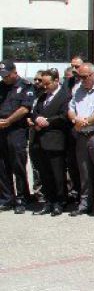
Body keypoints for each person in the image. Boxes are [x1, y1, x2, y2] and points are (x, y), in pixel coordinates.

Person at [67, 63, 94, 217]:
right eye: (79, 77)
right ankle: (86, 203)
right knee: (84, 172)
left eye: (84, 77)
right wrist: (75, 120)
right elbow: (71, 108)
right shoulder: (76, 89)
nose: (81, 80)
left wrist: (85, 122)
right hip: (81, 134)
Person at [28, 69, 70, 216]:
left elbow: (65, 116)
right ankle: (49, 201)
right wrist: (36, 119)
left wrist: (48, 121)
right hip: (40, 140)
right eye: (43, 83)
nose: (44, 86)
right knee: (44, 173)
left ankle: (60, 201)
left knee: (57, 174)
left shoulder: (65, 96)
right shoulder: (42, 96)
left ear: (56, 81)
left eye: (47, 83)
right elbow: (34, 112)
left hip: (55, 140)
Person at [0, 61, 35, 213]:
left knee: (18, 164)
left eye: (7, 75)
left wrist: (8, 121)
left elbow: (25, 108)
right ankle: (7, 198)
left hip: (16, 130)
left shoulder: (26, 86)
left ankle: (22, 198)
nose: (5, 78)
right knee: (2, 165)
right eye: (3, 75)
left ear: (14, 72)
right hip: (1, 130)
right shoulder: (1, 86)